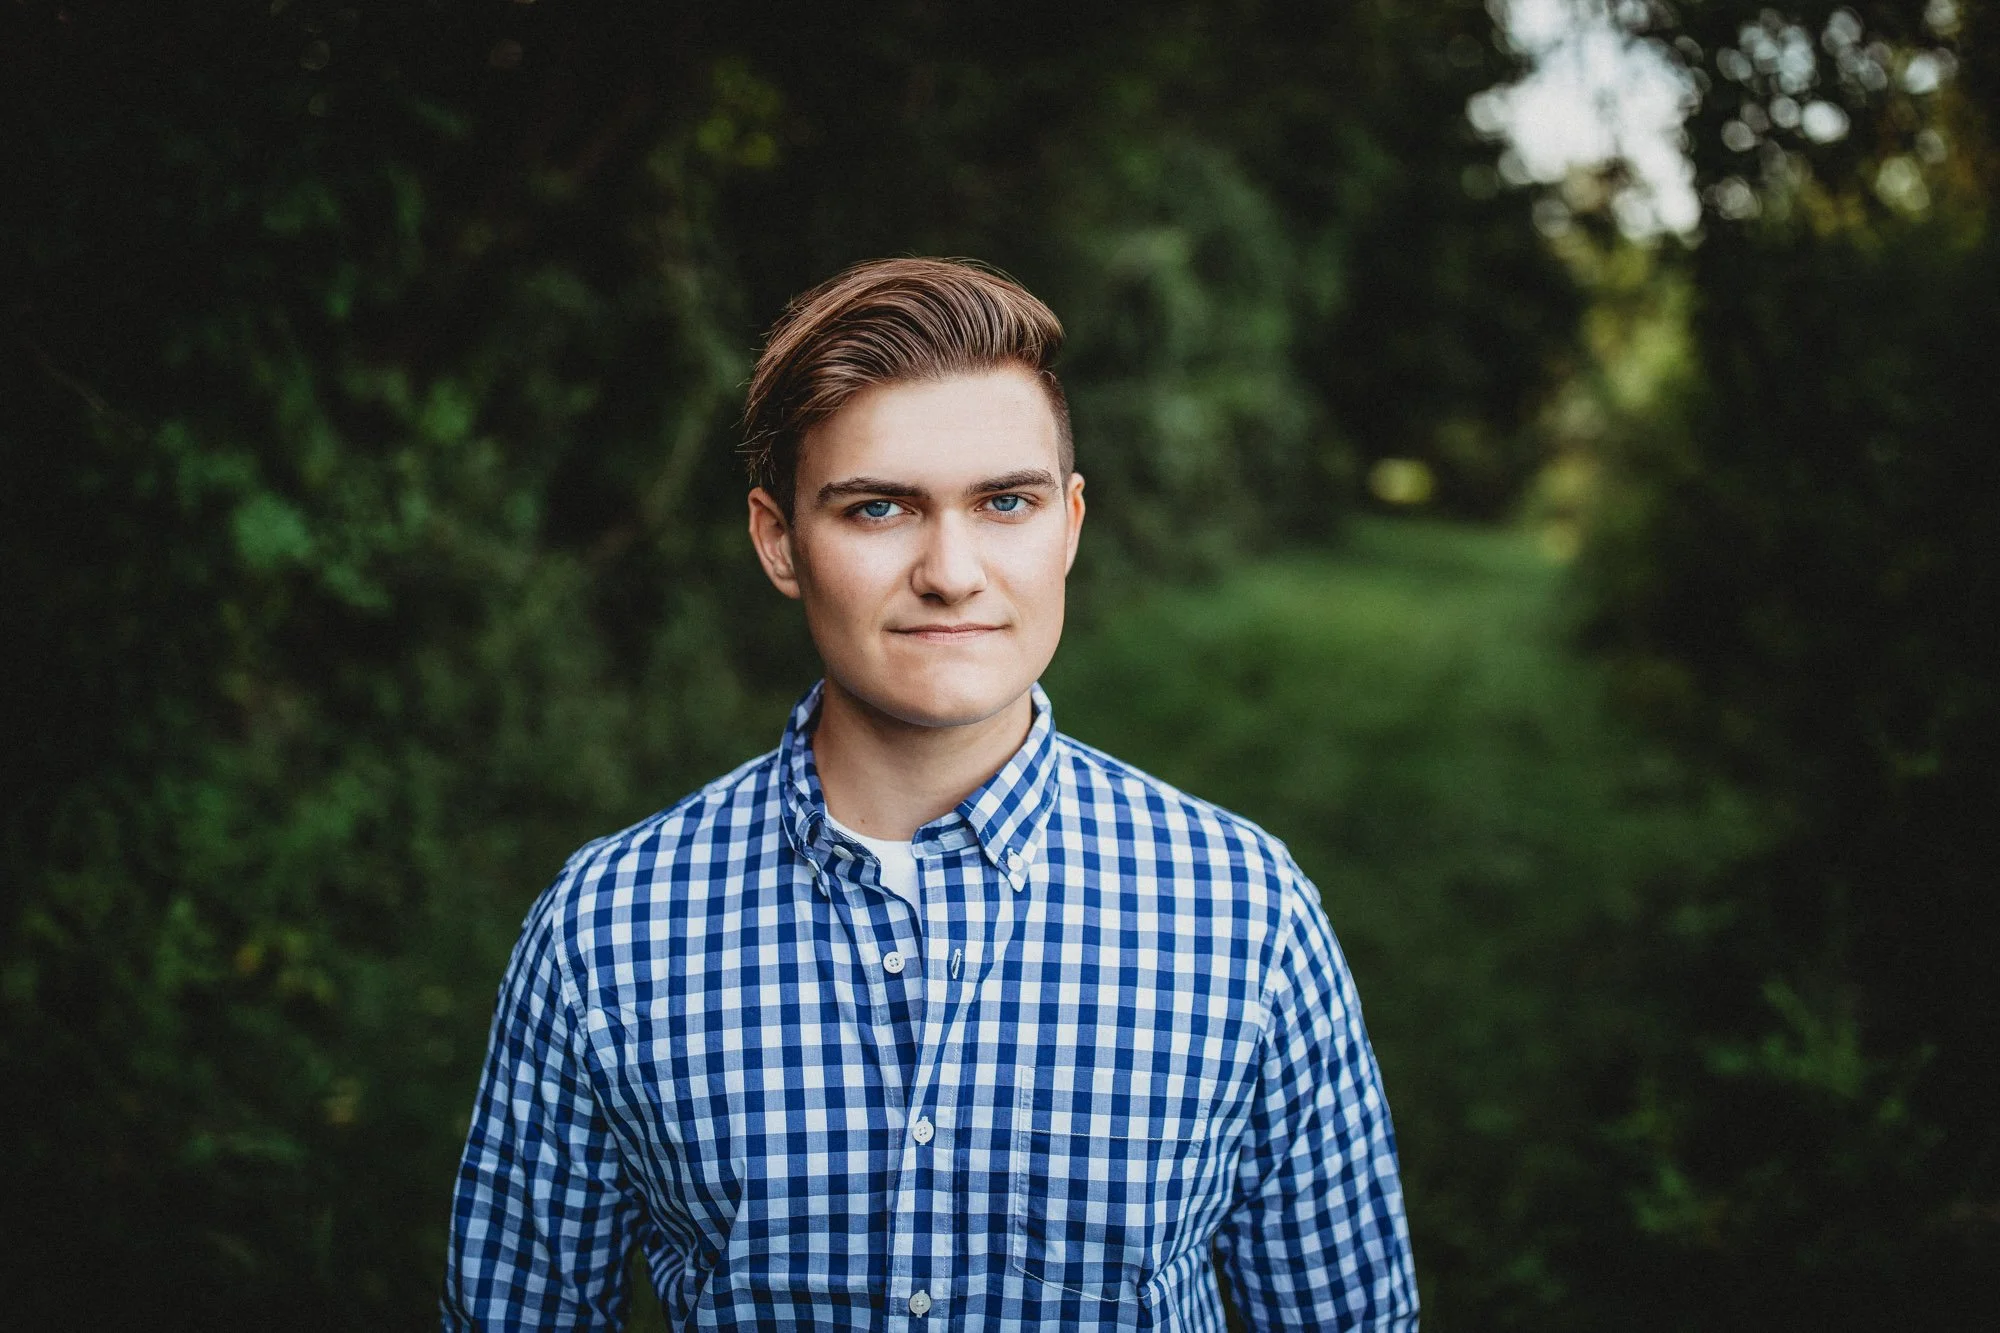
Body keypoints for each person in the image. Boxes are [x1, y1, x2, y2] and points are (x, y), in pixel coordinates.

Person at [442, 258, 1418, 1330]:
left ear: (1069, 525)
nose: (950, 570)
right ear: (778, 540)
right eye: (877, 509)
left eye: (1004, 501)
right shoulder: (606, 931)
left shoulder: (1243, 911)